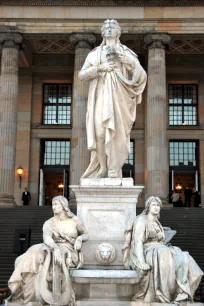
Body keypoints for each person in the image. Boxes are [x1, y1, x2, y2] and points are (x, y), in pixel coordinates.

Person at [79, 19, 147, 179]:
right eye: (106, 27)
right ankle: (102, 167)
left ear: (118, 32)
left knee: (117, 135)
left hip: (119, 97)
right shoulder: (94, 53)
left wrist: (128, 62)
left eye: (113, 27)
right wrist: (99, 68)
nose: (109, 29)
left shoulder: (127, 52)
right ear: (102, 32)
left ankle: (113, 168)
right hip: (101, 94)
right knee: (100, 133)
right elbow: (81, 75)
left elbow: (142, 75)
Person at [8, 196, 88, 306]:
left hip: (69, 249)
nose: (53, 207)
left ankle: (54, 296)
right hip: (52, 246)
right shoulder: (49, 222)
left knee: (52, 256)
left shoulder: (75, 220)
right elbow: (47, 238)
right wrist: (56, 248)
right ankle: (27, 293)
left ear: (63, 205)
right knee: (34, 251)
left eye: (56, 204)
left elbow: (85, 234)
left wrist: (80, 238)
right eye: (53, 205)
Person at [123, 196, 203, 304]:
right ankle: (166, 294)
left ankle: (181, 292)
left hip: (160, 249)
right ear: (148, 207)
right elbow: (137, 242)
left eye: (158, 205)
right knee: (165, 254)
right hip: (148, 251)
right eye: (153, 205)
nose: (156, 208)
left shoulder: (157, 222)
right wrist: (141, 262)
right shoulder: (141, 220)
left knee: (184, 256)